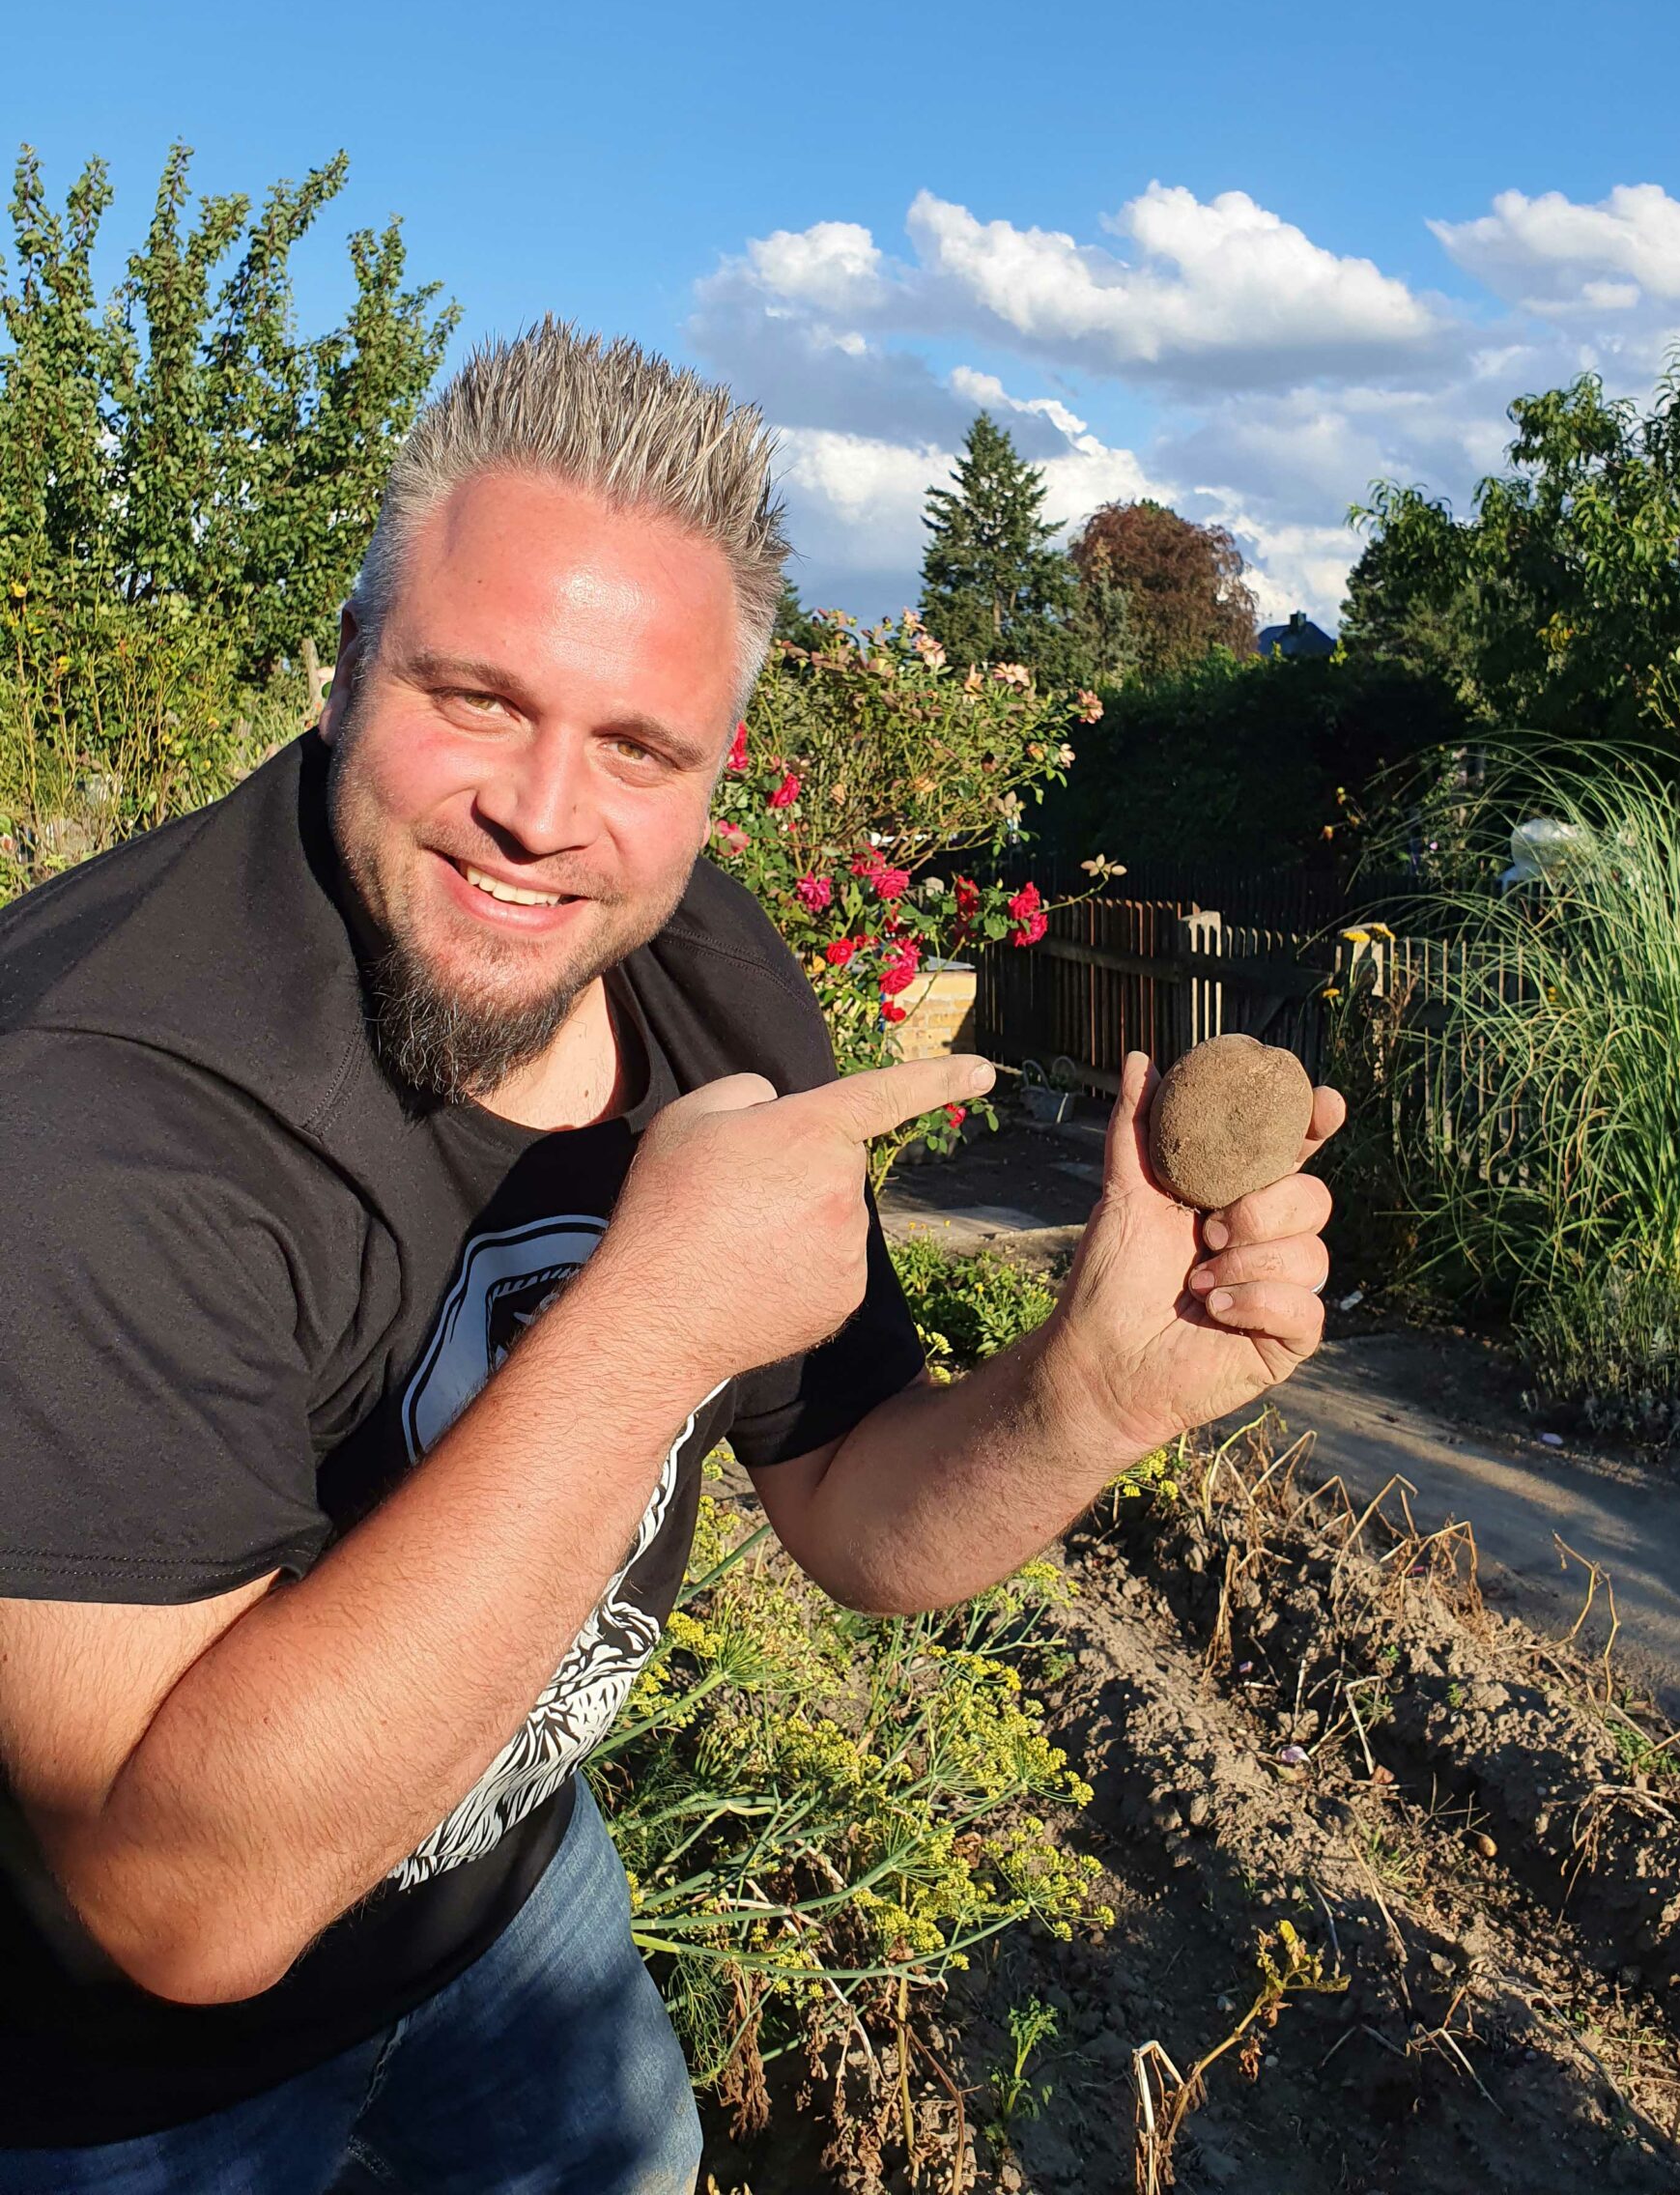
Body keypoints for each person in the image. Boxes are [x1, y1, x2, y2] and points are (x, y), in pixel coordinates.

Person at [0, 323, 1340, 2193]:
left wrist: (1087, 1393)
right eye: (477, 699)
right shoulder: (94, 1107)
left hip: (508, 1908)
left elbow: (857, 1513)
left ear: (716, 768)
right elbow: (182, 1910)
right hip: (117, 2085)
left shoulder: (693, 969)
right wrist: (644, 1322)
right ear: (346, 667)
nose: (546, 816)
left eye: (638, 745)